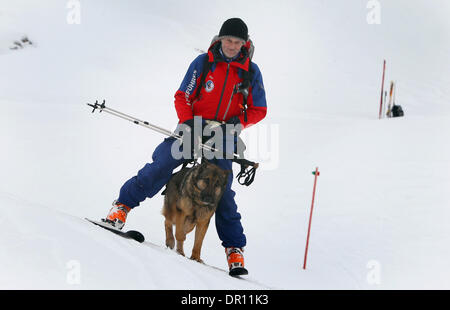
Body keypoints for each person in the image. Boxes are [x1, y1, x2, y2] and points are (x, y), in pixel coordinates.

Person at [104, 18, 267, 273]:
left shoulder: (251, 71)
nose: (232, 46)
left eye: (237, 42)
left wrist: (237, 122)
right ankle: (121, 207)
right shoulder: (203, 63)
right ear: (219, 39)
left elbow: (259, 110)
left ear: (245, 43)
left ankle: (234, 249)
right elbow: (183, 96)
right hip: (194, 125)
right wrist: (189, 122)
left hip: (224, 132)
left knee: (221, 188)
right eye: (228, 40)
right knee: (163, 163)